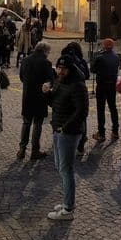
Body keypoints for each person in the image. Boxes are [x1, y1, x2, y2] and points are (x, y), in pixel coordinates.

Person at [43, 54, 88, 221]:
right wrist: (47, 94)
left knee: (66, 169)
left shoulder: (77, 85)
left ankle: (68, 208)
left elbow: (81, 111)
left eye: (64, 68)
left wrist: (65, 127)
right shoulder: (60, 81)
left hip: (68, 132)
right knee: (59, 165)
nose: (60, 71)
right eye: (59, 68)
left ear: (71, 69)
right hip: (58, 128)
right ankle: (66, 201)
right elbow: (55, 103)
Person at [18, 41, 54, 160]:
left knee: (26, 123)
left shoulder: (25, 60)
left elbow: (22, 77)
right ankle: (35, 150)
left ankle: (22, 149)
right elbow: (50, 80)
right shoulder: (46, 63)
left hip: (27, 96)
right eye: (48, 52)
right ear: (45, 51)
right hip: (40, 97)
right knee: (37, 124)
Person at [91, 38, 119, 142]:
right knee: (113, 107)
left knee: (101, 109)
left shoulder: (100, 57)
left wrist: (96, 56)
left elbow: (92, 69)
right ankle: (115, 131)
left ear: (104, 46)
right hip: (112, 86)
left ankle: (101, 133)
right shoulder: (116, 57)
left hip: (102, 85)